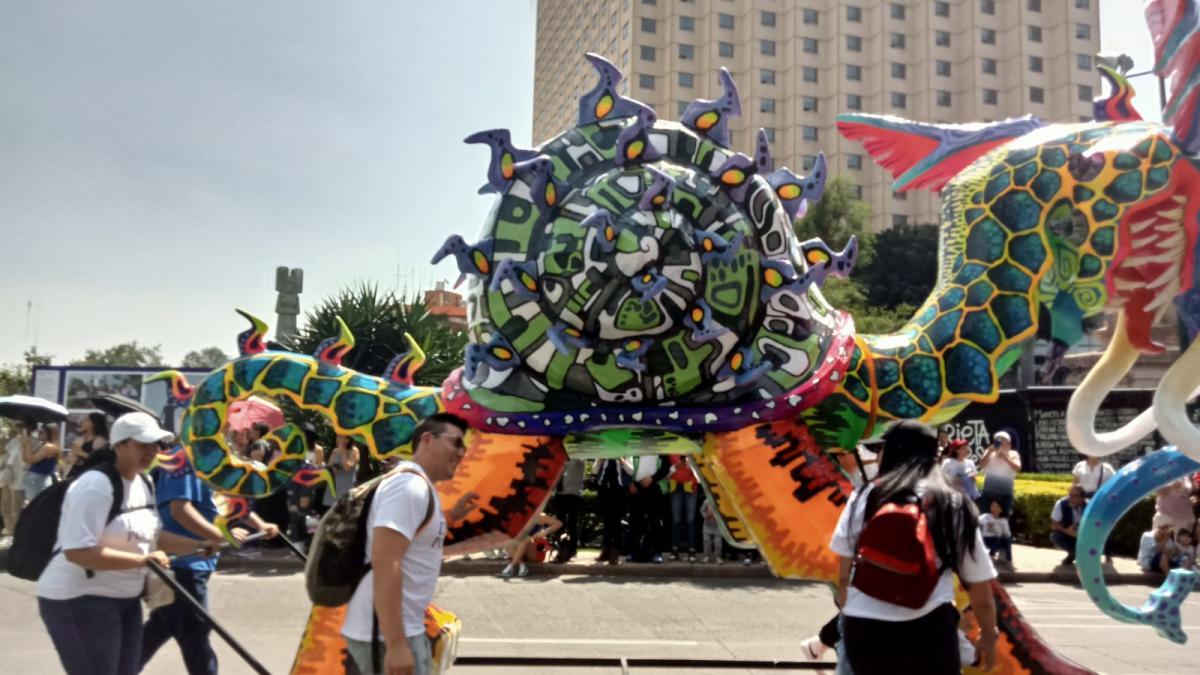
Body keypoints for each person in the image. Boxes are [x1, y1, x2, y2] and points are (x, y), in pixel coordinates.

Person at [36, 413, 217, 675]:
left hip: (124, 598)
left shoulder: (143, 482)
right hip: (79, 600)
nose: (151, 451)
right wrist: (143, 561)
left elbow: (152, 536)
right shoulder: (95, 485)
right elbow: (78, 552)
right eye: (142, 444)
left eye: (155, 444)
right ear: (119, 445)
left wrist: (197, 545)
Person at [830, 420, 998, 675]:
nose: (878, 456)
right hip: (928, 627)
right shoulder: (951, 502)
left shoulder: (864, 496)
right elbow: (980, 588)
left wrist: (851, 607)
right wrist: (988, 635)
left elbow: (843, 574)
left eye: (880, 449)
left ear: (894, 451)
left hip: (864, 630)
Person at [340, 413, 480, 675]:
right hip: (386, 636)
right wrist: (396, 645)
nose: (462, 453)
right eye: (457, 443)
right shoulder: (408, 488)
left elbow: (412, 540)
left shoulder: (421, 487)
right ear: (428, 440)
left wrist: (450, 515)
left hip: (397, 630)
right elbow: (386, 561)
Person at [140, 445, 280, 674]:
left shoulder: (211, 459)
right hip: (181, 565)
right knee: (196, 637)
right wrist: (222, 535)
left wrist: (260, 525)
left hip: (194, 564)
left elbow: (226, 503)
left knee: (160, 629)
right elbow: (180, 510)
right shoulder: (183, 460)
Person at [626, 454, 669, 563]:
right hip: (636, 487)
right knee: (635, 521)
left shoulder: (661, 449)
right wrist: (630, 483)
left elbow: (665, 468)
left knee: (656, 522)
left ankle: (656, 553)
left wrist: (653, 478)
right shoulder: (634, 446)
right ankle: (633, 552)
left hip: (654, 486)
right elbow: (626, 466)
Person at [499, 511, 562, 578]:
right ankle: (521, 565)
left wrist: (544, 532)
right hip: (522, 551)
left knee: (525, 539)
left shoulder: (540, 516)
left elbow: (558, 523)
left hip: (536, 550)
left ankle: (511, 566)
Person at [592, 457, 631, 565]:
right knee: (606, 522)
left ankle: (615, 552)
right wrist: (600, 460)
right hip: (604, 490)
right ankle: (606, 550)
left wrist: (621, 460)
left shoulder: (625, 453)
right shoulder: (603, 454)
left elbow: (631, 471)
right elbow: (594, 471)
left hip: (619, 490)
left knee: (617, 522)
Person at [977, 430, 1021, 515]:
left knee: (1004, 519)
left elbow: (1018, 468)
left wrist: (1006, 458)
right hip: (989, 493)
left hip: (1005, 494)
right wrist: (989, 452)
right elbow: (982, 465)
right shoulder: (990, 452)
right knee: (984, 519)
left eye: (1002, 440)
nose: (1000, 443)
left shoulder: (1014, 454)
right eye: (997, 440)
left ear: (1009, 443)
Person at [666, 454, 699, 562]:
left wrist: (691, 468)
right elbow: (665, 473)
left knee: (690, 521)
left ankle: (692, 551)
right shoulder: (671, 451)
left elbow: (700, 473)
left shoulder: (692, 450)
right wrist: (675, 467)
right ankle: (674, 551)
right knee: (676, 520)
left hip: (691, 488)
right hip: (676, 488)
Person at [550, 458, 584, 563]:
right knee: (560, 523)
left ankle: (571, 549)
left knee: (572, 524)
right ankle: (561, 549)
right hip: (560, 494)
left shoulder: (578, 458)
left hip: (573, 494)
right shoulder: (559, 458)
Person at [63, 412, 110, 479]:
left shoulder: (100, 441)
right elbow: (71, 458)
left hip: (88, 477)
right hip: (72, 476)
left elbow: (99, 461)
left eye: (87, 420)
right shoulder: (79, 439)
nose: (82, 422)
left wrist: (81, 453)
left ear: (94, 424)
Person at [22, 423, 61, 501]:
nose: (38, 434)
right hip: (34, 478)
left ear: (49, 434)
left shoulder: (49, 447)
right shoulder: (42, 444)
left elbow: (30, 460)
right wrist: (24, 445)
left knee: (36, 506)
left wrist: (27, 444)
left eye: (41, 432)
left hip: (39, 479)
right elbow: (25, 459)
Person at [1, 423, 27, 535]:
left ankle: (17, 534)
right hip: (7, 477)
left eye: (20, 426)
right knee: (5, 506)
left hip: (20, 479)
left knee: (17, 509)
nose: (17, 428)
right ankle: (9, 530)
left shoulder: (33, 442)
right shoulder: (13, 441)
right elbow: (5, 455)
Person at [1050, 485, 1086, 566]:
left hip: (1085, 534)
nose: (1070, 498)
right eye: (1069, 495)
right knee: (1055, 536)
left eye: (1074, 496)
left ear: (1082, 498)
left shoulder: (1089, 506)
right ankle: (1073, 553)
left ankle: (1085, 556)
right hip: (1067, 533)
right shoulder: (1061, 504)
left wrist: (1080, 532)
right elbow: (1054, 524)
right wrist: (1066, 531)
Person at [323, 434, 360, 509]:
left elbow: (347, 468)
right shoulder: (335, 451)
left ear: (348, 440)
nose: (337, 439)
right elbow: (328, 467)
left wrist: (343, 451)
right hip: (333, 487)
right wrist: (333, 468)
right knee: (329, 512)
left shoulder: (354, 451)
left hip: (346, 487)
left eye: (340, 437)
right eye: (337, 437)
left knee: (343, 510)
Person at [979, 500, 1013, 569]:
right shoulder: (986, 516)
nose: (993, 509)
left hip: (998, 539)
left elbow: (1007, 533)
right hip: (986, 538)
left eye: (996, 507)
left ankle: (1008, 561)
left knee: (1007, 539)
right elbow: (978, 520)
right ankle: (991, 557)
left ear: (1001, 509)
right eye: (992, 506)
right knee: (996, 539)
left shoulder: (1003, 520)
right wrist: (987, 522)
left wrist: (1000, 527)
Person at [700, 497, 721, 564]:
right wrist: (707, 515)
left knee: (718, 543)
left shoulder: (722, 501)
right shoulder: (707, 501)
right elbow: (702, 510)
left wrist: (717, 515)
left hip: (718, 526)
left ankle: (718, 557)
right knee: (706, 541)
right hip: (707, 525)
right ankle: (706, 556)